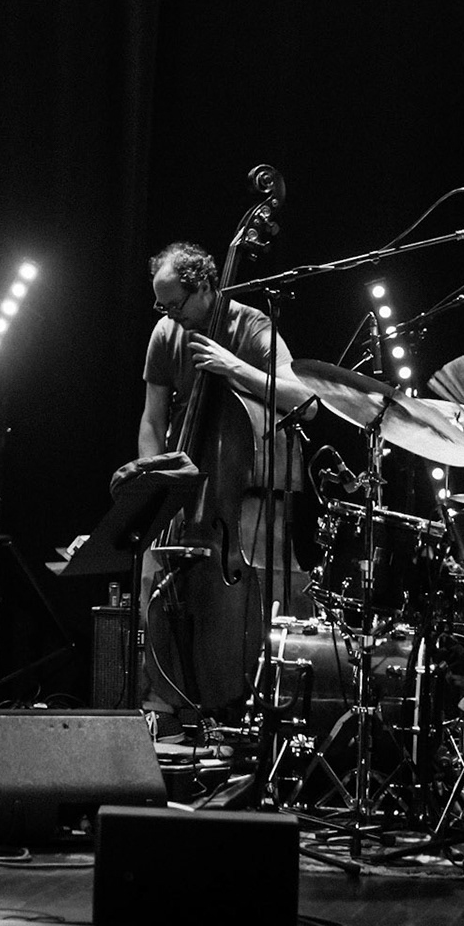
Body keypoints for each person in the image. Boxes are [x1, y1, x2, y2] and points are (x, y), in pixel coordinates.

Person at [129, 242, 315, 734]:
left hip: (238, 504)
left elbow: (306, 400)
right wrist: (157, 478)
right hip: (187, 491)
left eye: (175, 304)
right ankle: (165, 705)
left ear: (206, 288)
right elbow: (152, 419)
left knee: (242, 597)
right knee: (150, 572)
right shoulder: (166, 333)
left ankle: (240, 705)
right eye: (162, 306)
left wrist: (233, 367)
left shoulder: (252, 326)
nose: (169, 315)